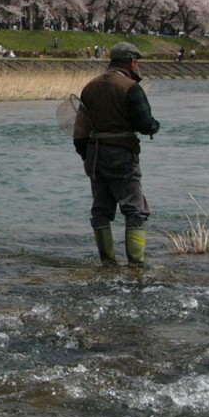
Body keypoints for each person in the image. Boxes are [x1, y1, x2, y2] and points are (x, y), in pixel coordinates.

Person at [72, 42, 160, 264]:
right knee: (135, 209)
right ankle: (136, 264)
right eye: (136, 62)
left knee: (101, 209)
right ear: (131, 62)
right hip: (122, 153)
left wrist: (85, 156)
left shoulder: (89, 87)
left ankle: (108, 263)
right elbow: (145, 124)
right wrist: (154, 126)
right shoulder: (130, 87)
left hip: (94, 154)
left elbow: (80, 131)